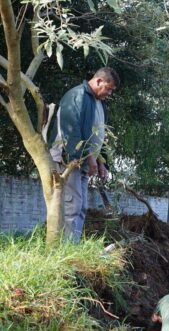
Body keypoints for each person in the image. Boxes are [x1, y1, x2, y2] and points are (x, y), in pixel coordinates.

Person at [48, 67, 120, 243]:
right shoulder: (77, 96)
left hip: (85, 163)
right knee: (72, 205)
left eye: (112, 90)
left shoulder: (99, 105)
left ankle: (73, 247)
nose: (109, 93)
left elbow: (99, 136)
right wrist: (88, 157)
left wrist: (102, 163)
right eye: (108, 88)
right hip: (69, 160)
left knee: (81, 207)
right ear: (98, 81)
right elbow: (71, 131)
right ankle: (66, 251)